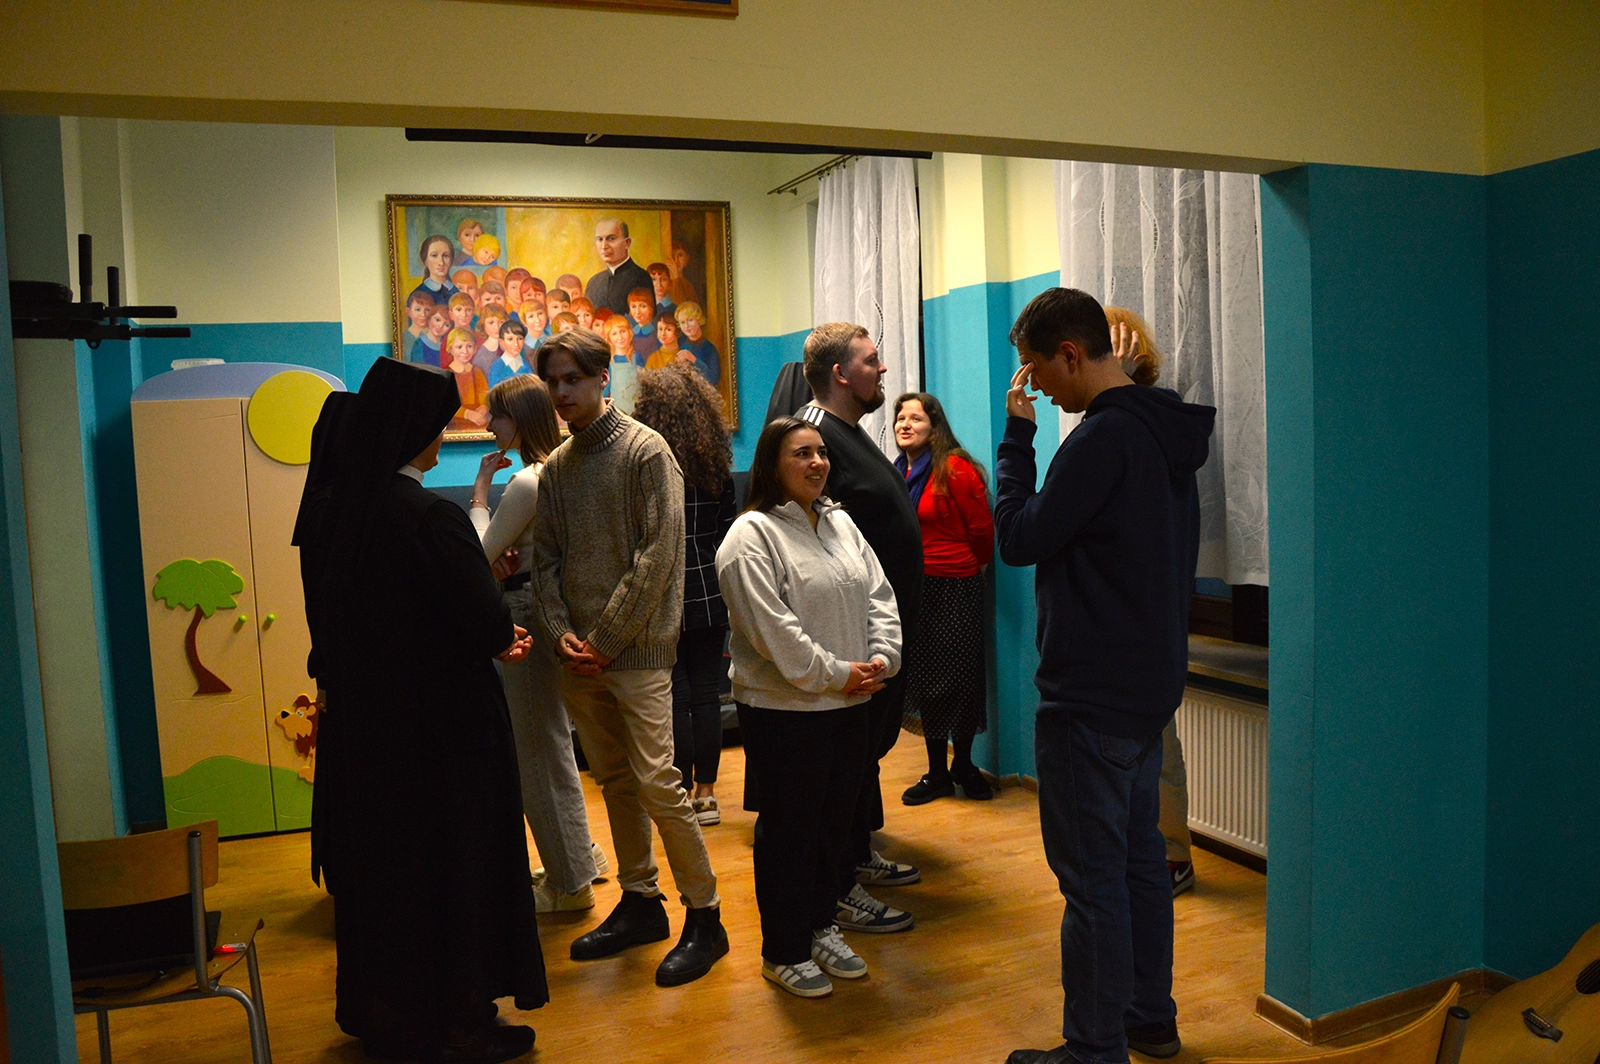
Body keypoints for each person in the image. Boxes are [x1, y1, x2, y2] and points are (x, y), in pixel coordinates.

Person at [296, 356, 544, 1063]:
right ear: (414, 432)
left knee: (389, 878)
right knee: (456, 870)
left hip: (368, 732)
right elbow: (483, 617)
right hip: (445, 732)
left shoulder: (333, 509)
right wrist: (502, 635)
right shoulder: (428, 515)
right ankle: (459, 1022)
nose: (443, 436)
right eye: (438, 425)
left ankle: (387, 1014)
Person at [996, 288, 1214, 1064]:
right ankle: (1150, 1018)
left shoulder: (1101, 439)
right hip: (1146, 689)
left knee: (1093, 883)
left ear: (1071, 353)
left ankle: (1093, 1048)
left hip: (1089, 698)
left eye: (1037, 369)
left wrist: (1016, 441)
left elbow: (1019, 536)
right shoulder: (1162, 430)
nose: (1038, 388)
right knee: (1139, 865)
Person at [530, 327, 728, 988]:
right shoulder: (558, 467)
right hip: (579, 656)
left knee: (658, 783)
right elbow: (545, 562)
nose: (563, 392)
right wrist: (560, 632)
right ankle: (641, 900)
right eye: (553, 382)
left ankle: (706, 914)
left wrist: (606, 639)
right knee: (614, 780)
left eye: (573, 379)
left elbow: (659, 554)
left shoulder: (647, 451)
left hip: (635, 651)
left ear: (601, 377)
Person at [716, 416, 902, 998]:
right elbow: (776, 634)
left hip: (849, 703)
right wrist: (838, 674)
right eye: (801, 454)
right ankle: (784, 950)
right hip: (785, 712)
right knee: (790, 835)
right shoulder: (750, 536)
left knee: (833, 828)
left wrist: (882, 657)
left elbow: (879, 594)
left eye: (821, 452)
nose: (817, 463)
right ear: (772, 464)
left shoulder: (840, 523)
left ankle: (821, 926)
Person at [795, 322, 922, 934]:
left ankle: (856, 854)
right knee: (841, 767)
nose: (883, 369)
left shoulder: (849, 432)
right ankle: (838, 887)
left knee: (863, 757)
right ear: (840, 374)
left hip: (879, 633)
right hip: (849, 640)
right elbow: (803, 541)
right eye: (872, 361)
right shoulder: (812, 439)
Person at [470, 374, 609, 913]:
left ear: (519, 419)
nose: (489, 424)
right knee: (552, 744)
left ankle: (569, 885)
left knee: (536, 751)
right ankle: (579, 858)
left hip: (526, 612)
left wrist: (480, 493)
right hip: (554, 612)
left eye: (497, 415)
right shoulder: (565, 467)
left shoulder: (527, 481)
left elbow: (478, 556)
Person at [1103, 304, 1195, 898]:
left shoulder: (1154, 421)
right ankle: (1146, 854)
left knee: (1158, 746)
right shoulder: (1116, 424)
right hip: (1123, 614)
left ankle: (1172, 857)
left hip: (1147, 614)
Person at [631, 366, 736, 828]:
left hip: (662, 590)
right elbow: (728, 533)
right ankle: (706, 795)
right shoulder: (716, 468)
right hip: (711, 588)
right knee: (708, 693)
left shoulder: (644, 465)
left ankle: (679, 791)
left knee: (675, 693)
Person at [891, 391, 996, 805]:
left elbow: (982, 530)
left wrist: (978, 569)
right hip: (918, 588)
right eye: (901, 418)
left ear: (934, 427)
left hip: (956, 585)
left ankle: (964, 765)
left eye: (915, 419)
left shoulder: (955, 468)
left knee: (962, 678)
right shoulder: (898, 471)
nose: (905, 425)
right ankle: (937, 773)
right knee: (928, 679)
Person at [584, 218, 656, 316]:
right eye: (600, 239)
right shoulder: (594, 282)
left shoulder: (641, 277)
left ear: (627, 243)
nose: (604, 246)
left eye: (611, 238)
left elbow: (648, 320)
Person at [673, 302, 721, 386]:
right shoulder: (680, 346)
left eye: (690, 320)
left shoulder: (710, 349)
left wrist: (694, 359)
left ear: (699, 320)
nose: (686, 326)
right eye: (682, 322)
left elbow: (713, 379)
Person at [407, 234, 457, 308]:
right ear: (425, 261)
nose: (441, 262)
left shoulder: (456, 293)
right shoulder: (417, 295)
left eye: (445, 256)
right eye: (434, 255)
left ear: (451, 260)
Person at [486, 319, 536, 389]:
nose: (516, 344)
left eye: (520, 339)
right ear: (502, 342)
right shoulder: (497, 367)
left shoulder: (526, 365)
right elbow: (494, 392)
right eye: (510, 339)